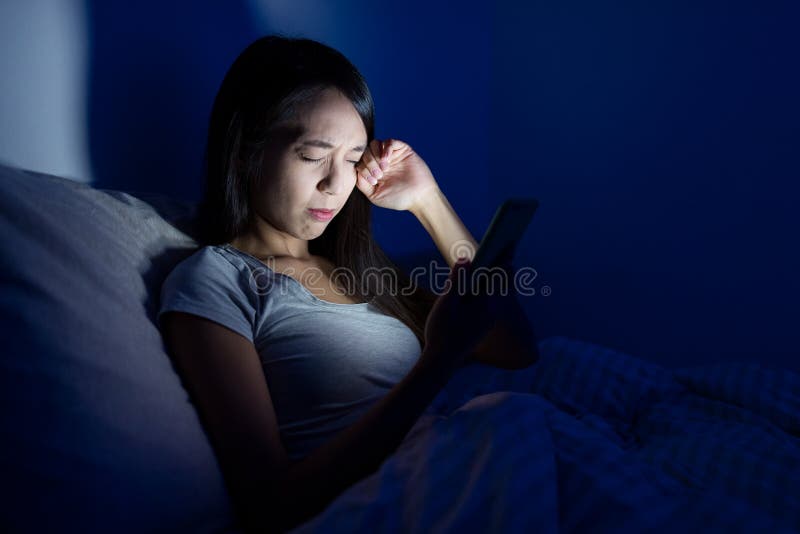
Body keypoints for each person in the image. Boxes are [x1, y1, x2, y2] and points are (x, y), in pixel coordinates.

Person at [158, 34, 538, 533]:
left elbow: (515, 347)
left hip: (470, 467)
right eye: (313, 156)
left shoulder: (356, 268)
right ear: (246, 150)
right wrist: (437, 361)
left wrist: (428, 201)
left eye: (353, 159)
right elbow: (271, 505)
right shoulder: (215, 281)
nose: (336, 186)